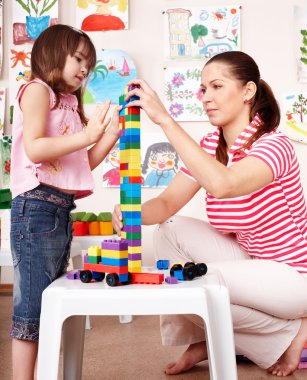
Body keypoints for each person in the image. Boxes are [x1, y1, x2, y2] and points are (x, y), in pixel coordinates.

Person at [113, 51, 307, 377]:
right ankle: (217, 338)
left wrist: (165, 119)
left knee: (192, 280)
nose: (207, 98)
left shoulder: (275, 146)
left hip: (295, 277)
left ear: (247, 92)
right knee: (168, 231)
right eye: (204, 89)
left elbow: (224, 184)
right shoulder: (209, 145)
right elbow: (166, 205)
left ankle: (289, 335)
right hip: (254, 263)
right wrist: (130, 212)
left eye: (217, 86)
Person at [10, 24, 121, 380]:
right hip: (37, 207)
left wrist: (106, 137)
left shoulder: (70, 103)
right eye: (78, 58)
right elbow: (36, 148)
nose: (83, 69)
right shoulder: (38, 91)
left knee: (49, 304)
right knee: (31, 311)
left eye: (87, 65)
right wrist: (87, 134)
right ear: (52, 53)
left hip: (58, 208)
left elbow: (79, 166)